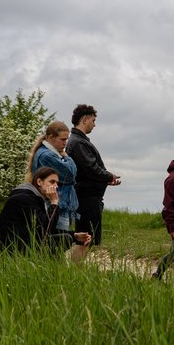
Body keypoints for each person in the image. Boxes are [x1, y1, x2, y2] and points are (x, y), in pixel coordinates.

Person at [0, 166, 92, 254]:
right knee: (63, 240)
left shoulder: (35, 198)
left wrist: (74, 236)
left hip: (18, 244)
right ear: (39, 181)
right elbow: (44, 229)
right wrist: (54, 202)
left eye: (57, 183)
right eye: (52, 182)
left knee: (65, 238)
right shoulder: (24, 198)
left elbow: (46, 228)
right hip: (5, 249)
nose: (56, 186)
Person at [26, 121, 86, 262]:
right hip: (56, 206)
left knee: (56, 245)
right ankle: (53, 275)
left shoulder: (50, 154)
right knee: (55, 247)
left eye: (67, 139)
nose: (65, 143)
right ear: (51, 138)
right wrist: (66, 157)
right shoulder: (47, 155)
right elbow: (70, 174)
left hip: (60, 207)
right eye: (62, 139)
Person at [66, 104, 120, 248]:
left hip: (87, 197)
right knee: (86, 239)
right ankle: (76, 269)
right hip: (86, 199)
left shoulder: (79, 141)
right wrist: (109, 177)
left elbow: (89, 171)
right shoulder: (78, 143)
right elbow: (91, 168)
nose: (94, 125)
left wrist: (106, 179)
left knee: (88, 238)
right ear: (84, 119)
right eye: (93, 121)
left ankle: (76, 269)